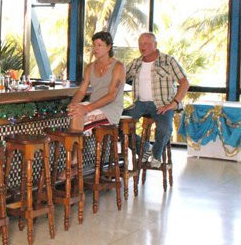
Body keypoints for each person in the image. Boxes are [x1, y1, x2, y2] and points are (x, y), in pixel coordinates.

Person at [123, 32, 189, 168]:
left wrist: (174, 103)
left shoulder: (168, 61)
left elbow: (185, 83)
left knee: (164, 129)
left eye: (147, 43)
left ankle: (156, 155)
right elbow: (119, 77)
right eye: (140, 43)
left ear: (155, 45)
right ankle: (144, 148)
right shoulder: (136, 63)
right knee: (117, 123)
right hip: (139, 104)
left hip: (162, 104)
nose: (143, 46)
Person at [67, 31, 125, 132]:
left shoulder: (118, 67)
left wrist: (87, 108)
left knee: (79, 117)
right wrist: (73, 104)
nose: (95, 48)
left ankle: (78, 142)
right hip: (93, 105)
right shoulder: (90, 67)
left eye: (99, 45)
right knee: (73, 112)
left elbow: (111, 96)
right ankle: (79, 141)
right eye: (94, 45)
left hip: (110, 109)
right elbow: (81, 91)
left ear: (109, 47)